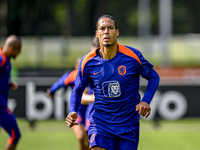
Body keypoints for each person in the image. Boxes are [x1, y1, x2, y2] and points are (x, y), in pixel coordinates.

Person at [66, 15, 160, 150]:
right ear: (97, 34)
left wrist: (146, 100)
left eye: (110, 28)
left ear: (117, 32)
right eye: (102, 29)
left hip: (128, 125)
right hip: (100, 123)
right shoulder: (87, 61)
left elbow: (154, 77)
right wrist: (72, 111)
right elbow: (78, 89)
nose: (106, 32)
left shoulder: (132, 56)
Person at [47, 37, 99, 150]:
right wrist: (51, 91)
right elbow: (59, 84)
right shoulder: (72, 75)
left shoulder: (93, 73)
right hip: (79, 110)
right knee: (81, 137)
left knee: (92, 141)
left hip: (91, 109)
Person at [0, 35, 22, 150]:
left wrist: (8, 83)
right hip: (0, 106)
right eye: (18, 51)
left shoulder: (5, 58)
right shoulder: (1, 58)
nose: (18, 54)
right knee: (15, 135)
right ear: (11, 49)